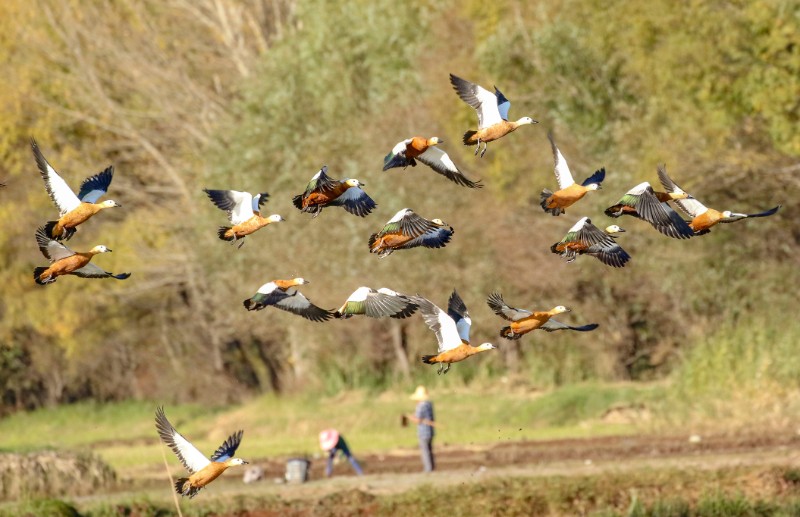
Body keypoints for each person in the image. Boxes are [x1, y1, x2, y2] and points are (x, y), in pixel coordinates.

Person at [408, 385, 435, 472]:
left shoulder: (421, 406)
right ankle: (431, 467)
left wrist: (410, 418)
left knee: (425, 451)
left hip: (423, 432)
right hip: (430, 431)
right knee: (429, 450)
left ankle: (428, 469)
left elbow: (418, 419)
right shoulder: (429, 404)